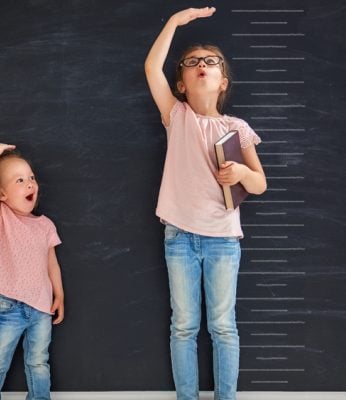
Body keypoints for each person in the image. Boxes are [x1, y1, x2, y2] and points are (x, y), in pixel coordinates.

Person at [144, 7, 267, 400]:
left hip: (223, 238)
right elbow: (151, 67)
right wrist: (174, 23)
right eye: (193, 62)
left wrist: (242, 175)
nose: (202, 66)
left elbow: (260, 183)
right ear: (181, 83)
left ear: (222, 81)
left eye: (211, 63)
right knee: (183, 325)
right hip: (178, 235)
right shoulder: (176, 116)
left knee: (222, 325)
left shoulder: (237, 128)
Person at [0, 143, 65, 400]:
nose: (29, 184)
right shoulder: (2, 219)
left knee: (38, 362)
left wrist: (58, 295)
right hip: (9, 308)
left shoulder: (46, 225)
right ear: (2, 194)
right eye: (20, 180)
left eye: (32, 178)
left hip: (40, 308)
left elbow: (52, 264)